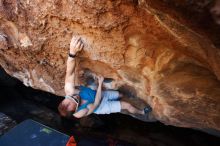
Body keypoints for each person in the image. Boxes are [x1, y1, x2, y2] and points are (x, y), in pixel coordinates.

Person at [58, 36, 151, 118]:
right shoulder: (81, 112)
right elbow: (97, 102)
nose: (75, 96)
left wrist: (72, 53)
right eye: (76, 100)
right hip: (101, 106)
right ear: (76, 109)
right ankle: (142, 112)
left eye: (71, 97)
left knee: (120, 94)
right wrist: (100, 84)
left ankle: (123, 97)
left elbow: (69, 72)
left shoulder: (70, 91)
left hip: (97, 93)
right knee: (127, 106)